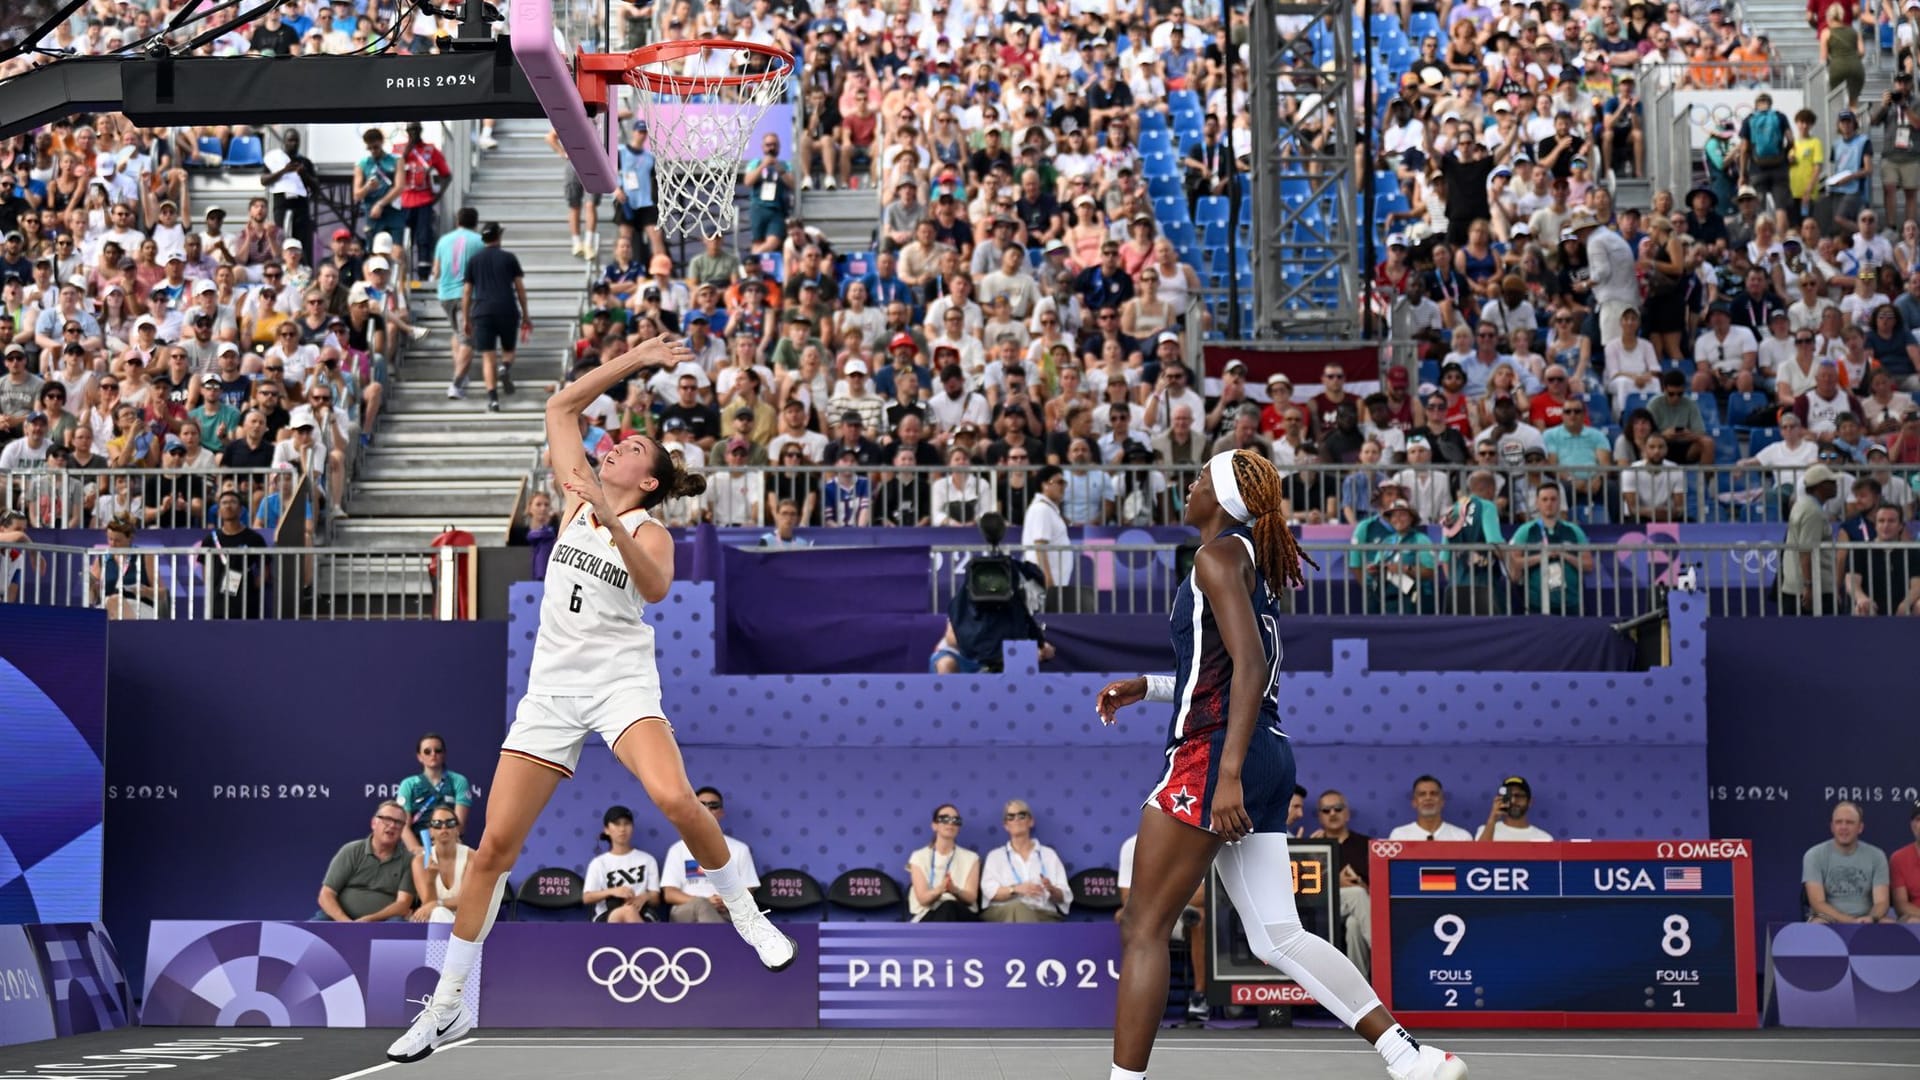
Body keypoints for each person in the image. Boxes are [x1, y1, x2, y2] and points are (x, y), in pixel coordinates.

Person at [386, 334, 794, 1066]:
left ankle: (745, 912)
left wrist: (607, 519)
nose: (616, 442)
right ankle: (446, 1007)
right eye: (619, 438)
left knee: (674, 798)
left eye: (633, 444)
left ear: (647, 479)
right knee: (493, 854)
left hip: (619, 685)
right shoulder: (579, 482)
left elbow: (655, 586)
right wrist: (637, 359)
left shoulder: (647, 528)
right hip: (551, 692)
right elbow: (561, 401)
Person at [1096, 450, 1466, 1080]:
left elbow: (1249, 668)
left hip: (1217, 753)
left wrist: (1228, 772)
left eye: (1198, 479)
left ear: (1221, 496)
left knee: (1142, 924)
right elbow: (1224, 670)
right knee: (1277, 936)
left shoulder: (1214, 558)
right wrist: (1150, 687)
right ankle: (1409, 1056)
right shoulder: (1247, 561)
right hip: (1264, 747)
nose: (1187, 487)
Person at [659, 786, 762, 923]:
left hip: (727, 910)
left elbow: (748, 890)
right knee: (702, 905)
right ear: (692, 809)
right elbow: (670, 894)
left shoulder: (739, 849)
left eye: (713, 806)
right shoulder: (678, 849)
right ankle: (721, 943)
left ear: (721, 812)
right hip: (686, 911)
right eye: (701, 805)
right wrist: (706, 902)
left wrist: (727, 901)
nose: (707, 809)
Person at [463, 223, 530, 413]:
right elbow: (520, 288)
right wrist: (526, 314)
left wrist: (466, 318)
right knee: (508, 349)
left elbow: (467, 292)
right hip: (507, 308)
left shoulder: (474, 261)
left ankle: (493, 399)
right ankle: (505, 367)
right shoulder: (509, 258)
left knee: (488, 357)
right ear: (499, 237)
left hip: (482, 310)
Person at [317, 801, 416, 922]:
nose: (392, 825)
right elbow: (326, 894)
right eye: (387, 819)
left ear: (402, 830)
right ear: (374, 823)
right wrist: (346, 923)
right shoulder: (351, 850)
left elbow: (403, 904)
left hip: (383, 921)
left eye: (398, 822)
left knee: (397, 923)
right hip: (341, 919)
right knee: (317, 924)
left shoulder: (408, 860)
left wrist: (370, 919)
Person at [977, 799, 1072, 923]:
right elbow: (990, 892)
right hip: (1003, 913)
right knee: (1020, 908)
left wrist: (1052, 889)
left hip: (1043, 914)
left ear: (1031, 821)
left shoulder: (1048, 855)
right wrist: (1016, 889)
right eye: (1010, 817)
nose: (1016, 819)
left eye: (1021, 815)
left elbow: (1064, 896)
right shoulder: (995, 856)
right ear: (1006, 825)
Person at [1803, 801, 1892, 923]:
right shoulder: (1814, 855)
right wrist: (1849, 921)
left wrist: (1871, 918)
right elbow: (1817, 903)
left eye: (1849, 822)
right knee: (1818, 923)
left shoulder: (1877, 856)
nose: (1843, 827)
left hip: (1866, 919)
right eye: (1838, 822)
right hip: (1827, 918)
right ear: (1832, 827)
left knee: (1888, 924)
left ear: (1860, 828)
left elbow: (1881, 902)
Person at [395, 733, 473, 855]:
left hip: (450, 847)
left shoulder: (458, 781)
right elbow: (403, 826)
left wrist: (442, 850)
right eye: (427, 751)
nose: (433, 754)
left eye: (438, 750)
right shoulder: (408, 784)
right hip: (417, 848)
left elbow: (459, 825)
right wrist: (418, 851)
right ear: (419, 756)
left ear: (444, 754)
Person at [583, 804, 661, 924]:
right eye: (617, 824)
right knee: (626, 911)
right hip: (607, 914)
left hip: (642, 911)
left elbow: (655, 898)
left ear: (632, 827)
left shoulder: (647, 859)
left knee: (629, 911)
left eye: (626, 823)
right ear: (607, 830)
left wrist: (644, 897)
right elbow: (587, 897)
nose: (622, 829)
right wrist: (613, 891)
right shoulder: (599, 863)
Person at [198, 489, 268, 618]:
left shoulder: (254, 538)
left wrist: (251, 587)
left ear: (241, 510)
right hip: (218, 605)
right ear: (218, 511)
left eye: (232, 502)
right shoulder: (210, 539)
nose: (228, 506)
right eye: (224, 503)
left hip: (247, 605)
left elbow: (265, 569)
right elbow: (205, 571)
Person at [906, 804, 981, 922]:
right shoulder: (918, 857)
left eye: (956, 820)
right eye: (944, 819)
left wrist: (954, 890)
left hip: (961, 914)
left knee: (949, 906)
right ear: (934, 825)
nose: (950, 823)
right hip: (928, 914)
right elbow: (923, 899)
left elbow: (971, 898)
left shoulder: (971, 858)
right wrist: (940, 889)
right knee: (946, 908)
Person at [409, 805, 474, 925]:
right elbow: (428, 905)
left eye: (450, 823)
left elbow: (466, 901)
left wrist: (439, 903)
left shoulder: (471, 857)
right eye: (437, 824)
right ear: (431, 831)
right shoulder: (420, 861)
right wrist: (430, 880)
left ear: (457, 829)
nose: (444, 827)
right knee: (437, 913)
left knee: (438, 912)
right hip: (436, 920)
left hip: (466, 920)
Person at [1387, 776, 1476, 841]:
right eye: (1422, 794)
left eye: (1433, 793)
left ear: (1442, 802)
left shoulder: (1462, 837)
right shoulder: (1399, 836)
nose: (1428, 798)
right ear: (1414, 802)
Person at [1476, 776, 1554, 841]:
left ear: (1530, 802)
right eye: (1509, 796)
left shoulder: (1544, 839)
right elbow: (1478, 856)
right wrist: (1492, 819)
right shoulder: (1486, 830)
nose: (1513, 801)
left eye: (1519, 796)